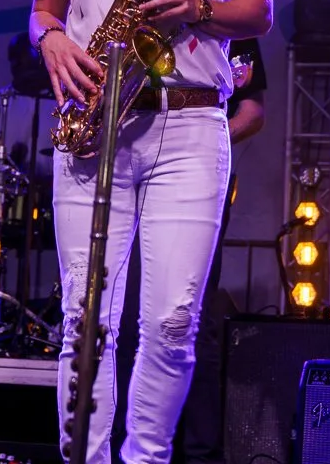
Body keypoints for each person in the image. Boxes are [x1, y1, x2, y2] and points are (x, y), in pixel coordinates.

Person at [19, 0, 275, 464]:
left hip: (189, 126)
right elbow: (42, 12)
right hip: (93, 124)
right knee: (84, 322)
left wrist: (198, 7)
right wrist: (51, 40)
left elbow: (259, 10)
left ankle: (145, 459)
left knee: (171, 321)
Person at [113, 37, 268, 462]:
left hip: (195, 170)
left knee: (189, 317)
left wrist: (200, 138)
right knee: (124, 314)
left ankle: (201, 452)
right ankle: (120, 445)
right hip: (127, 166)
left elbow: (252, 111)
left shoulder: (230, 17)